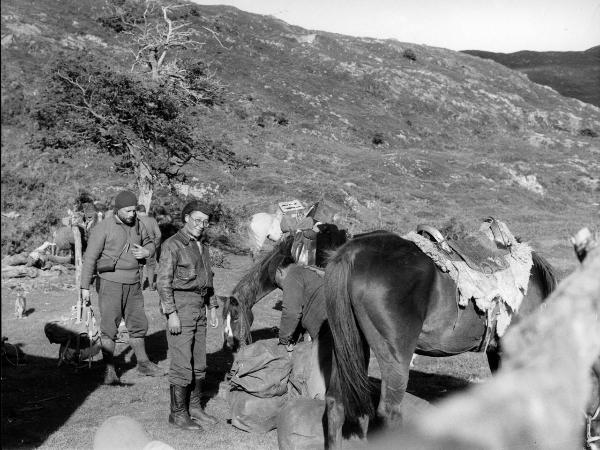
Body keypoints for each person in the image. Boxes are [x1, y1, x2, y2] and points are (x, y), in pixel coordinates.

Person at [80, 189, 164, 385]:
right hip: (110, 284)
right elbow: (90, 258)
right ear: (117, 210)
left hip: (134, 283)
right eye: (127, 211)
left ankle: (143, 363)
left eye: (134, 210)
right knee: (109, 327)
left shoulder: (139, 224)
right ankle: (109, 370)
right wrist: (84, 287)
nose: (132, 214)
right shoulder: (103, 228)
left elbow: (151, 243)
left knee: (138, 324)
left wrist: (146, 251)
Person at [157, 200, 219, 430]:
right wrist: (171, 313)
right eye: (197, 220)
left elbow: (208, 278)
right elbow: (162, 282)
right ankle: (178, 413)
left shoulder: (202, 245)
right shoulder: (172, 245)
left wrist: (211, 306)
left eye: (205, 221)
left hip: (200, 307)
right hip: (181, 307)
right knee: (182, 363)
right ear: (186, 218)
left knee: (199, 362)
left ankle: (194, 408)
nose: (201, 225)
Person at [271, 255, 327, 350]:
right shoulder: (308, 270)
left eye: (278, 284)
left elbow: (291, 312)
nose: (282, 289)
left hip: (327, 333)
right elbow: (299, 315)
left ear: (279, 271)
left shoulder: (292, 275)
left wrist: (283, 340)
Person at [136, 204, 162, 291]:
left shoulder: (136, 220)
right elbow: (158, 235)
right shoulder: (152, 220)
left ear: (138, 211)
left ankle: (140, 286)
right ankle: (151, 286)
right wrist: (155, 245)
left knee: (139, 267)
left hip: (138, 246)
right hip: (150, 245)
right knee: (151, 266)